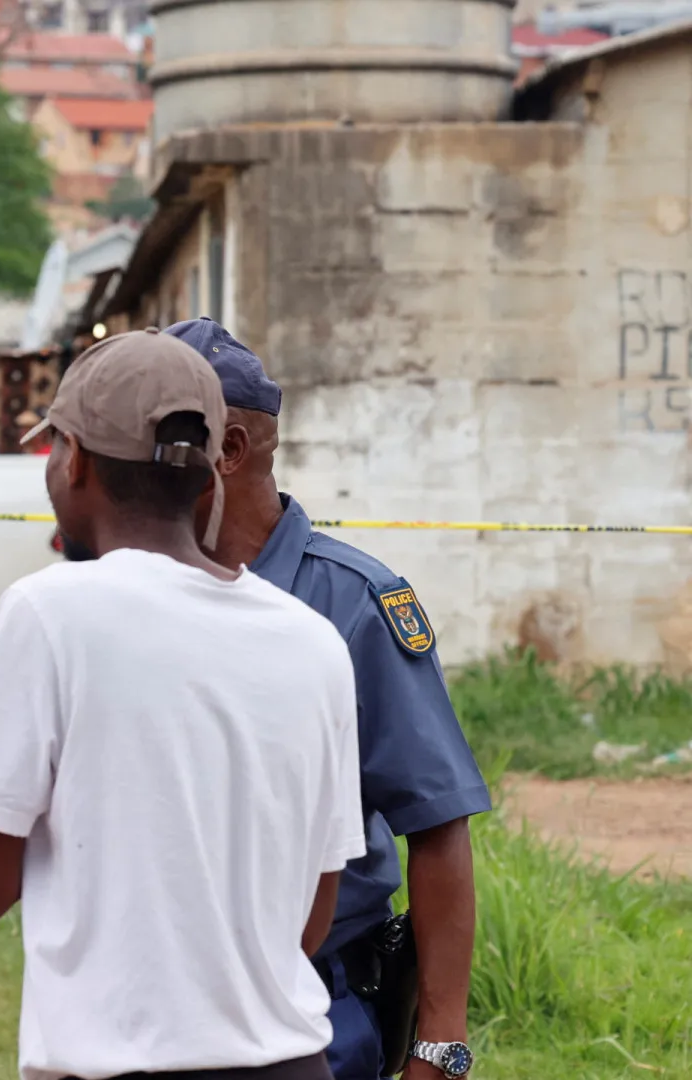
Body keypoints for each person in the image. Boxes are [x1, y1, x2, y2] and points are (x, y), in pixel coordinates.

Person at [0, 330, 364, 1080]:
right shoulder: (315, 641)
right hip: (292, 1062)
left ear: (77, 462)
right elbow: (309, 919)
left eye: (56, 445)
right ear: (209, 473)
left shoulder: (48, 613)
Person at [165, 317, 490, 1080]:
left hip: (317, 1003)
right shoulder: (138, 594)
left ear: (230, 450)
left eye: (156, 441)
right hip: (161, 1002)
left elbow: (436, 823)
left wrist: (439, 1045)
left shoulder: (352, 604)